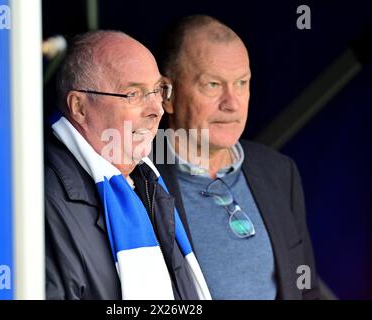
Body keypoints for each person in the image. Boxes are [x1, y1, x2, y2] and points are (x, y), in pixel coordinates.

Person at [154, 15, 320, 299]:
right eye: (213, 85)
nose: (232, 103)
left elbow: (306, 291)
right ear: (166, 94)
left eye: (242, 83)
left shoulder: (279, 171)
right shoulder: (133, 178)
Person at [44, 30, 211, 300]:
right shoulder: (40, 200)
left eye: (158, 90)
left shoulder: (149, 181)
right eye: (133, 94)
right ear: (79, 107)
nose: (156, 109)